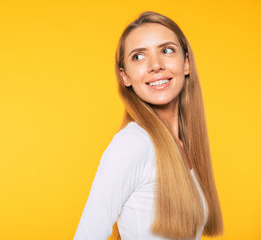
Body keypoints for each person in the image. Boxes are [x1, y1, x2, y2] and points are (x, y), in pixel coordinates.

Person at [73, 11, 223, 240]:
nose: (155, 65)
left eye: (166, 50)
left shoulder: (183, 146)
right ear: (125, 77)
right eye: (138, 56)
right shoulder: (133, 143)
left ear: (186, 63)